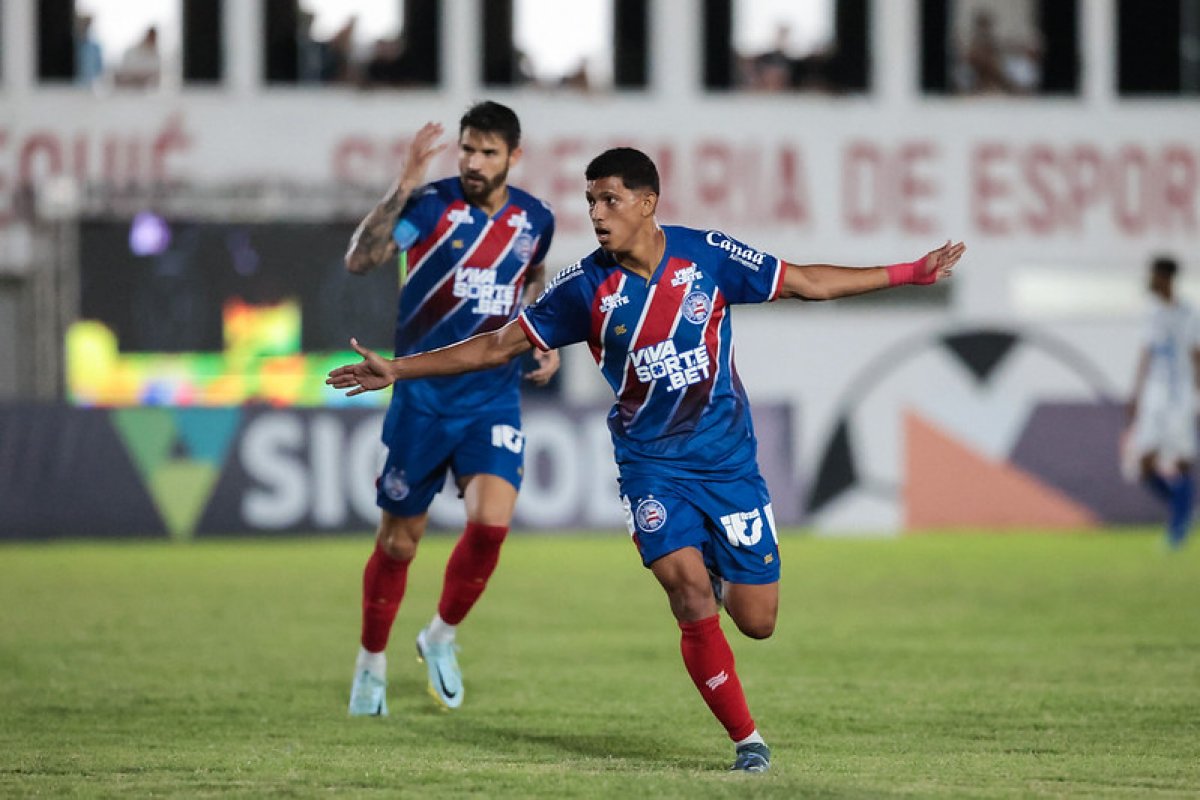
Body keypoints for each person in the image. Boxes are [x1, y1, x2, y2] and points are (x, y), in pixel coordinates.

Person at [328, 146, 964, 771]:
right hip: (650, 467)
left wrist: (912, 271)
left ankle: (719, 569)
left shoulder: (707, 257)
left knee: (758, 621)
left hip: (727, 464)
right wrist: (400, 369)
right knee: (688, 597)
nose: (598, 213)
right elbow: (499, 345)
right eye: (590, 201)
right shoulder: (584, 287)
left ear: (648, 202)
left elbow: (806, 282)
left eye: (610, 199)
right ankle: (749, 744)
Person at [343, 102, 558, 716]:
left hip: (492, 395)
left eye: (487, 152)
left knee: (491, 526)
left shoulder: (533, 219)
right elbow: (362, 259)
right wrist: (405, 183)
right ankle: (371, 664)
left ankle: (439, 637)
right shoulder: (430, 208)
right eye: (467, 149)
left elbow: (532, 279)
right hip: (423, 398)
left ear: (514, 158)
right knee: (398, 545)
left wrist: (540, 341)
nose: (472, 162)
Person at [1126, 256, 1200, 549]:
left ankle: (1179, 528)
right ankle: (1182, 510)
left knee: (1182, 462)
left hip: (1180, 394)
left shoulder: (1189, 314)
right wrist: (1136, 393)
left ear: (1166, 278)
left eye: (1155, 276)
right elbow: (1146, 354)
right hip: (1156, 394)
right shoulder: (1152, 314)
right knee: (1144, 464)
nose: (1151, 281)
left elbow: (1196, 357)